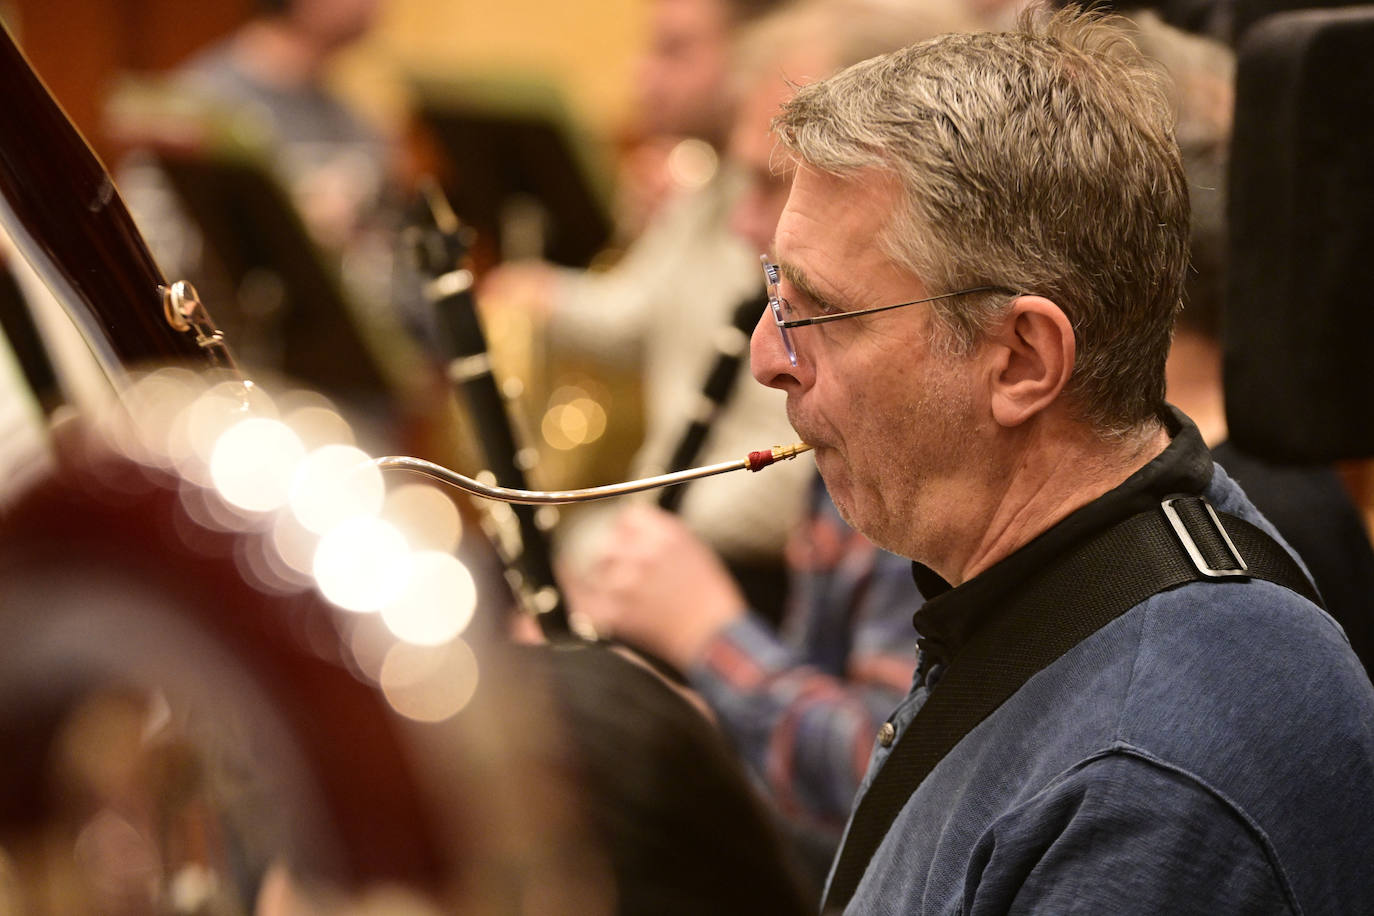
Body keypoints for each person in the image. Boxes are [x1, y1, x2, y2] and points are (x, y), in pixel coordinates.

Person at [738, 6, 1374, 912]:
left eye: (822, 312)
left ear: (1022, 360)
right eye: (777, 291)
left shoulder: (1138, 784)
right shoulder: (1061, 573)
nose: (768, 355)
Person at [571, 0, 974, 875]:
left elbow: (887, 774)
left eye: (772, 182)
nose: (746, 223)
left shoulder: (915, 437)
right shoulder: (842, 409)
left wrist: (704, 632)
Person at [482, 0, 810, 622]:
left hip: (740, 570)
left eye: (674, 50)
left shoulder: (781, 199)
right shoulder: (710, 182)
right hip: (670, 524)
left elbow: (795, 476)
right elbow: (637, 310)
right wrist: (532, 292)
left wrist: (614, 540)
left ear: (755, 52)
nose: (641, 75)